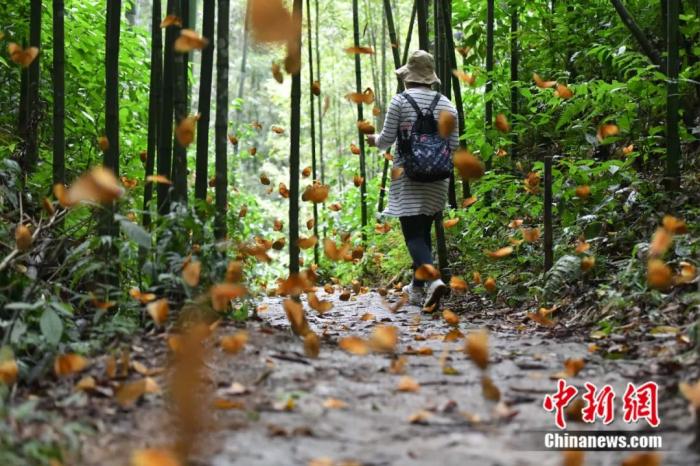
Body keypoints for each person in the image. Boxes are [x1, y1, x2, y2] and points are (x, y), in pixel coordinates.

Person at [367, 50, 459, 309]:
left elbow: (386, 140)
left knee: (413, 236)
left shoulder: (400, 101)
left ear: (408, 77)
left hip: (408, 176)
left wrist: (374, 140)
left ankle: (433, 279)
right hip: (438, 177)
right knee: (423, 233)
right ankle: (417, 289)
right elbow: (453, 145)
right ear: (430, 78)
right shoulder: (447, 104)